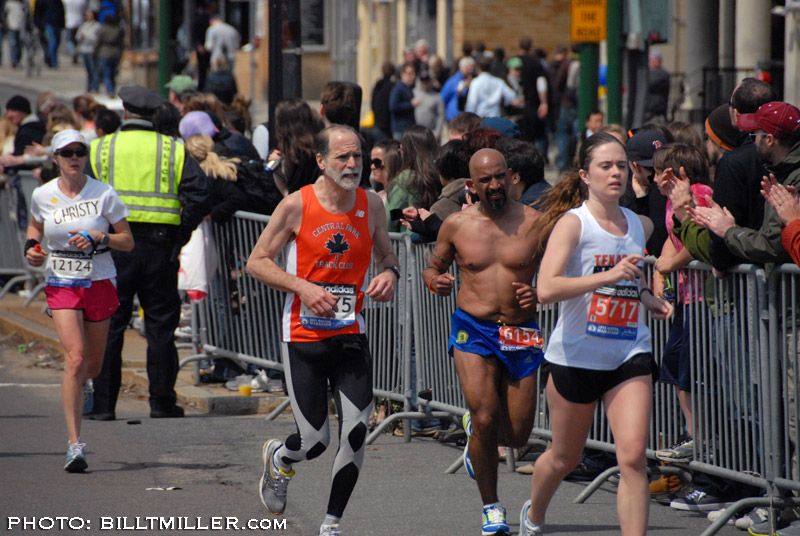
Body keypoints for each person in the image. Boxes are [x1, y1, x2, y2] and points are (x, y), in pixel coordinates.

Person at [246, 125, 399, 536]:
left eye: (358, 157)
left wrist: (390, 273)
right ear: (320, 161)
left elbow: (386, 252)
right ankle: (280, 457)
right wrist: (302, 287)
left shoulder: (371, 204)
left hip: (350, 333)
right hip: (302, 335)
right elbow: (257, 261)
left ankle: (331, 523)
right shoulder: (297, 205)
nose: (352, 165)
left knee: (355, 430)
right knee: (314, 441)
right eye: (342, 158)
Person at [522, 133, 673, 535]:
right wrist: (606, 275)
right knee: (564, 457)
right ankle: (534, 514)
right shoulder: (574, 224)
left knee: (633, 458)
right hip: (576, 355)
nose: (616, 173)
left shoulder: (637, 225)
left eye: (621, 165)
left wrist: (646, 297)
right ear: (584, 175)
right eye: (606, 166)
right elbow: (547, 289)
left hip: (628, 353)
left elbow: (630, 280)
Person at [420, 147, 543, 536]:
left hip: (521, 332)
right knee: (487, 415)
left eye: (500, 177)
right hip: (473, 329)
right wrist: (433, 281)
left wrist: (539, 293)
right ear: (471, 184)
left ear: (511, 177)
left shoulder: (537, 223)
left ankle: (478, 438)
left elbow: (562, 274)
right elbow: (433, 266)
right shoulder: (457, 224)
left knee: (517, 436)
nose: (494, 185)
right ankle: (491, 507)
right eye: (485, 180)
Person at [86, 85, 211, 421]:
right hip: (159, 246)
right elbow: (200, 193)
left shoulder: (100, 148)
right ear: (154, 114)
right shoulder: (172, 149)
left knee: (110, 325)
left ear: (125, 111)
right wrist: (180, 234)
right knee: (159, 327)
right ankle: (161, 403)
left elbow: (81, 197)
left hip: (112, 247)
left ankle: (102, 406)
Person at [24, 129, 134, 472]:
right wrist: (32, 250)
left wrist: (101, 236)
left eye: (79, 152)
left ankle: (85, 382)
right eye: (67, 152)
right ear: (55, 158)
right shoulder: (43, 195)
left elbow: (128, 241)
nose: (74, 157)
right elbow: (34, 228)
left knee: (92, 365)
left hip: (99, 280)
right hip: (61, 281)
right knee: (73, 359)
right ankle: (75, 445)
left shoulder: (104, 194)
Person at [693, 101, 800, 267]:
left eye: (755, 135)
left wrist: (728, 231)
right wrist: (732, 227)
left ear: (770, 140)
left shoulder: (794, 178)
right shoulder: (781, 171)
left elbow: (772, 246)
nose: (754, 142)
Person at [384, 125, 441, 233]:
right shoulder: (440, 173)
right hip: (436, 238)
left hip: (409, 242)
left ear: (407, 150)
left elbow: (389, 218)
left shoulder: (406, 178)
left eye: (401, 149)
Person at [94, 12, 124, 97]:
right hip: (116, 53)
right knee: (113, 74)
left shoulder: (102, 29)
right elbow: (121, 43)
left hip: (104, 53)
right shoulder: (118, 30)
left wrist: (95, 53)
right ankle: (113, 89)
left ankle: (110, 91)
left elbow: (98, 43)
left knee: (106, 74)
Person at [389, 62, 419, 138]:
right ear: (402, 74)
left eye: (413, 73)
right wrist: (410, 104)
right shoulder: (398, 88)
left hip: (408, 127)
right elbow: (393, 106)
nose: (413, 76)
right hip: (401, 128)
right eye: (409, 73)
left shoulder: (408, 88)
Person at [34, 0, 65, 68]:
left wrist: (62, 24)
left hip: (57, 24)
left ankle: (48, 58)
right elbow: (37, 12)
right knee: (52, 41)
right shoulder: (41, 1)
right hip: (47, 24)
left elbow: (62, 11)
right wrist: (38, 24)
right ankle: (52, 61)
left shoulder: (58, 1)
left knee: (57, 41)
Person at [76, 9, 100, 93]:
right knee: (88, 71)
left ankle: (95, 87)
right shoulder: (84, 25)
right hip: (84, 50)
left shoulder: (97, 26)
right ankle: (89, 87)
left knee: (94, 70)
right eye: (87, 15)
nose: (89, 17)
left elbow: (97, 38)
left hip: (92, 50)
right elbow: (78, 36)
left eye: (90, 15)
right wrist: (81, 37)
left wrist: (87, 37)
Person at [644, 51, 670, 123]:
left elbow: (650, 83)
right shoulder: (645, 73)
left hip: (656, 113)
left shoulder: (662, 74)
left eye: (656, 60)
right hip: (646, 112)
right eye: (652, 60)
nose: (654, 62)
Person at [5, 0, 26, 69]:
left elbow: (27, 16)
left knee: (20, 45)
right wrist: (6, 24)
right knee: (13, 44)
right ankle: (14, 61)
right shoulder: (9, 4)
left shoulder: (24, 4)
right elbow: (4, 14)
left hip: (21, 28)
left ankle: (18, 60)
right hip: (12, 26)